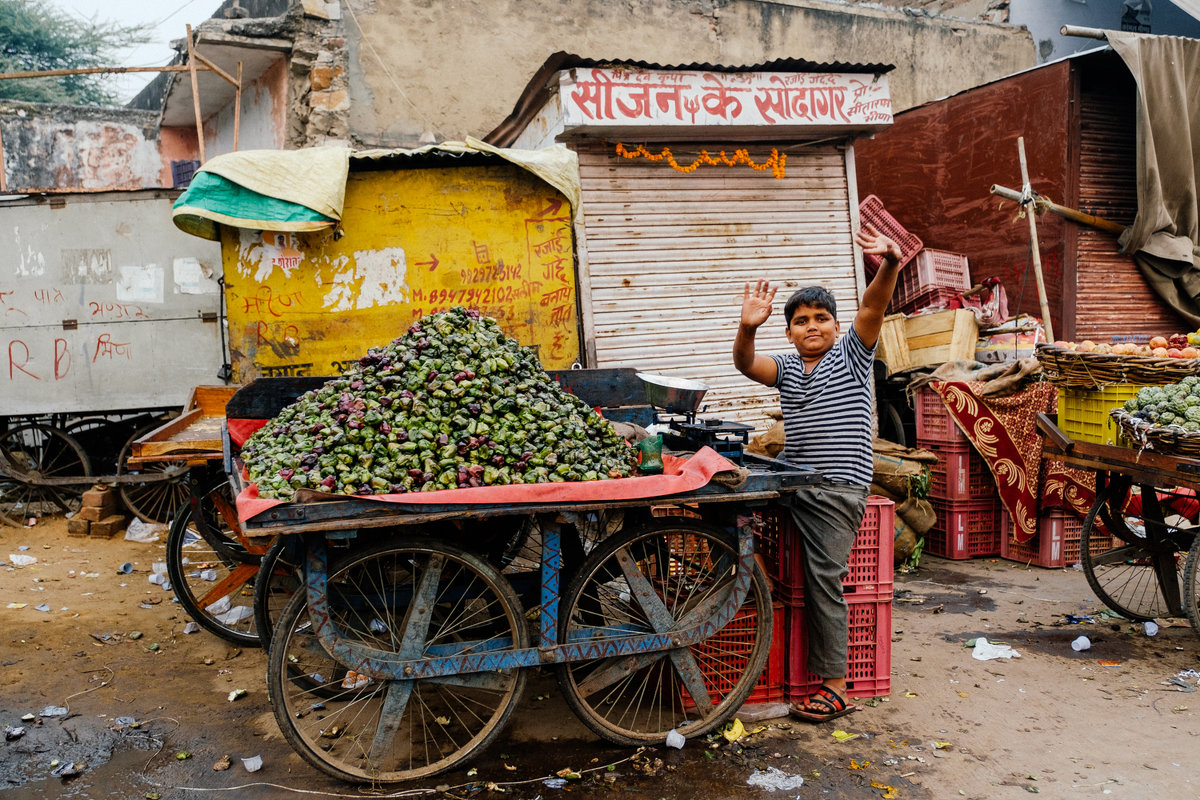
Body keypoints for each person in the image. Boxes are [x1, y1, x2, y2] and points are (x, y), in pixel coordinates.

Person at [732, 222, 902, 723]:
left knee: (824, 579)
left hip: (835, 491)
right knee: (741, 520)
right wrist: (747, 327)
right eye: (802, 320)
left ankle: (835, 686)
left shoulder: (852, 355)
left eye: (822, 318)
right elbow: (746, 364)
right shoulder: (786, 366)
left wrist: (889, 264)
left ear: (836, 326)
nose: (812, 326)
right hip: (792, 483)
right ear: (788, 331)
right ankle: (759, 630)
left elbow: (872, 307)